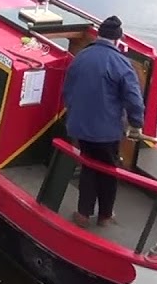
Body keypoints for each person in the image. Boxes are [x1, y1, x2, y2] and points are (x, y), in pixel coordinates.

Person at [61, 15, 146, 229]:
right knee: (108, 171)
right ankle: (105, 216)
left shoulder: (81, 57)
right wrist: (135, 125)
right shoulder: (121, 64)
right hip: (106, 132)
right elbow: (134, 100)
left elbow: (68, 91)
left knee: (88, 166)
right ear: (119, 39)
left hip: (79, 128)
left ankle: (82, 214)